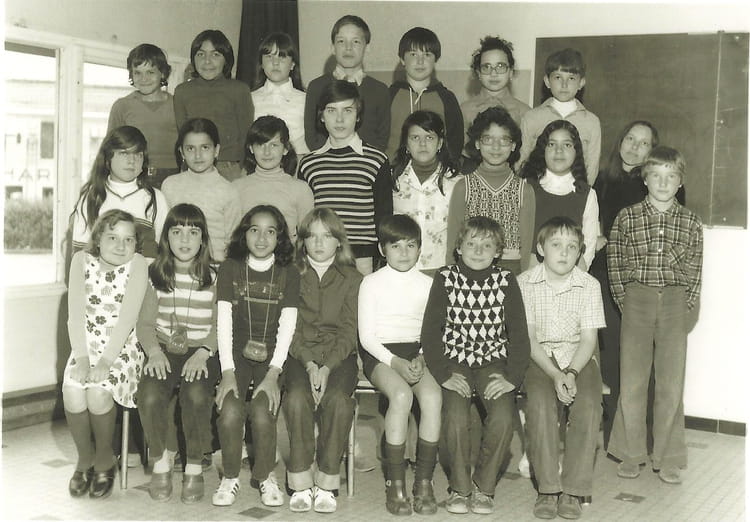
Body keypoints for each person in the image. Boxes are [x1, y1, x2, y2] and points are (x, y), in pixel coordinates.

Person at [421, 216, 530, 515]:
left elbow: (520, 336)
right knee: (456, 416)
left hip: (493, 361)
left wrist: (512, 377)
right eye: (471, 244)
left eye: (487, 245)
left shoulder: (506, 281)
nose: (478, 251)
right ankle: (460, 488)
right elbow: (430, 333)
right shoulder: (445, 278)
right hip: (454, 360)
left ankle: (484, 486)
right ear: (459, 247)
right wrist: (443, 374)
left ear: (498, 252)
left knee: (503, 416)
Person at [607, 146, 703, 485]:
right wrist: (627, 300)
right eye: (656, 176)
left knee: (670, 383)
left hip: (675, 302)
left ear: (680, 182)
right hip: (637, 299)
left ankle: (668, 456)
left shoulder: (690, 222)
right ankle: (630, 453)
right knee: (632, 381)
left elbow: (695, 272)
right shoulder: (627, 217)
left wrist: (684, 305)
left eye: (670, 176)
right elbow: (615, 264)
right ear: (645, 179)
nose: (663, 183)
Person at [591, 120, 682, 446]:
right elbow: (591, 219)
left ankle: (648, 435)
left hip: (644, 279)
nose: (633, 146)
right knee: (613, 354)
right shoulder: (602, 179)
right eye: (630, 138)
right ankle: (618, 435)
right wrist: (596, 236)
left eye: (643, 143)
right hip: (607, 275)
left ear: (653, 151)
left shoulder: (658, 183)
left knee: (646, 360)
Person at [517, 217, 606, 520]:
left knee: (590, 404)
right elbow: (529, 340)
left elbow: (589, 340)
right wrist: (555, 374)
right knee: (541, 405)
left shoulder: (589, 285)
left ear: (580, 251)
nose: (564, 252)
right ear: (541, 249)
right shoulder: (524, 283)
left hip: (579, 359)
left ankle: (573, 490)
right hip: (540, 358)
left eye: (572, 246)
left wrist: (571, 373)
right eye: (556, 245)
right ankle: (548, 489)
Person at [211, 205, 300, 507]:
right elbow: (223, 323)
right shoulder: (230, 268)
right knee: (230, 409)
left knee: (263, 410)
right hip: (235, 352)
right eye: (254, 230)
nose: (261, 238)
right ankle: (230, 476)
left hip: (273, 353)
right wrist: (227, 371)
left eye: (270, 231)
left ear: (280, 237)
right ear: (244, 233)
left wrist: (274, 373)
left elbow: (288, 326)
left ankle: (264, 475)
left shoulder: (289, 273)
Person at [358, 214, 442, 515]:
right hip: (380, 354)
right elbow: (367, 337)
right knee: (402, 395)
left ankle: (423, 482)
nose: (404, 252)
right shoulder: (370, 283)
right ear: (382, 249)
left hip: (417, 351)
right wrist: (394, 362)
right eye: (395, 246)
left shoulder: (429, 284)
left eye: (410, 245)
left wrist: (421, 356)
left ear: (420, 248)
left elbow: (433, 331)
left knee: (432, 396)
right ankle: (395, 485)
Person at [136, 204, 219, 503]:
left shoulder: (215, 277)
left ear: (203, 239)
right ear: (166, 238)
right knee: (149, 394)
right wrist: (154, 352)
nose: (185, 240)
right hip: (163, 349)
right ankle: (160, 462)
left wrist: (205, 352)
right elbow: (145, 324)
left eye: (193, 232)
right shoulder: (155, 275)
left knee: (195, 395)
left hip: (202, 351)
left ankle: (194, 466)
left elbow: (221, 324)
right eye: (177, 232)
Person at [63, 209, 148, 499]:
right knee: (73, 391)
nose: (121, 245)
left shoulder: (137, 265)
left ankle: (104, 459)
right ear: (98, 239)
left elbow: (127, 319)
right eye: (112, 237)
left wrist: (106, 362)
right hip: (85, 345)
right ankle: (84, 459)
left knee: (98, 393)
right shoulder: (80, 261)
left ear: (136, 244)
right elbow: (75, 315)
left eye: (129, 239)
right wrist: (82, 359)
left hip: (122, 348)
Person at [283, 208, 362, 513]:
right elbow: (288, 328)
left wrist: (327, 367)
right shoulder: (290, 274)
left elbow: (349, 331)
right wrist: (309, 363)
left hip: (338, 357)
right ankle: (301, 481)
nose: (318, 243)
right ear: (302, 241)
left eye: (326, 236)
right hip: (299, 354)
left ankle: (327, 482)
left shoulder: (353, 278)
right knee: (296, 398)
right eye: (312, 236)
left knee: (339, 401)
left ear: (339, 241)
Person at [298, 80, 392, 275]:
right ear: (321, 116)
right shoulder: (309, 164)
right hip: (321, 256)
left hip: (363, 259)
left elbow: (384, 216)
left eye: (347, 111)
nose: (339, 119)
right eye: (331, 111)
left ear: (358, 116)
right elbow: (306, 218)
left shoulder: (376, 160)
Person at [447, 107, 534, 274]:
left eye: (504, 140)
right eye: (488, 139)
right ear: (477, 143)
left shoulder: (524, 190)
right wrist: (452, 276)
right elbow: (453, 240)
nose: (496, 146)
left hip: (511, 271)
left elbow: (526, 245)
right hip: (470, 268)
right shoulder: (463, 186)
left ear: (513, 145)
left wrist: (523, 280)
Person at [71, 126, 169, 260]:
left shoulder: (155, 198)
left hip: (144, 272)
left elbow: (165, 251)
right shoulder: (91, 196)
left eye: (138, 154)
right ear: (108, 159)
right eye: (124, 153)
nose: (132, 161)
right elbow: (79, 254)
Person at [174, 29, 253, 182]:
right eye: (201, 54)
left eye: (215, 55)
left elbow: (246, 134)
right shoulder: (182, 91)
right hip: (193, 166)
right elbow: (183, 135)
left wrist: (243, 169)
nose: (207, 61)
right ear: (193, 59)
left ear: (226, 60)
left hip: (229, 168)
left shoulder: (239, 90)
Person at [520, 119, 598, 270]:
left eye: (567, 145)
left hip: (569, 274)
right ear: (543, 150)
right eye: (552, 144)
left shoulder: (587, 194)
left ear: (576, 151)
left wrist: (573, 275)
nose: (559, 150)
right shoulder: (525, 187)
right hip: (529, 272)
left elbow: (589, 244)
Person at [304, 14, 390, 152]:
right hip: (326, 161)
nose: (348, 47)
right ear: (332, 48)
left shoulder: (380, 90)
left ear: (367, 47)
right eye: (341, 41)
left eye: (355, 41)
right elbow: (311, 135)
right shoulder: (316, 87)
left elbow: (382, 137)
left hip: (367, 161)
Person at [161, 118, 242, 263]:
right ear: (182, 152)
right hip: (177, 265)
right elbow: (164, 233)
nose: (197, 155)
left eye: (205, 147)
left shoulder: (229, 190)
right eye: (190, 148)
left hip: (215, 266)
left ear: (216, 150)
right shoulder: (170, 185)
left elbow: (233, 240)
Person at [391, 110, 462, 274]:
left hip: (442, 269)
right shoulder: (393, 180)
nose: (422, 144)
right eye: (415, 138)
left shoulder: (457, 183)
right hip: (401, 268)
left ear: (440, 143)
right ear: (406, 144)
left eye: (429, 138)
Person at [519, 48, 600, 186]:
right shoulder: (531, 117)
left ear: (581, 83)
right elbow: (522, 159)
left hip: (575, 192)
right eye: (557, 77)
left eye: (571, 78)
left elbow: (592, 166)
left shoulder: (591, 122)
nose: (564, 84)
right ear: (547, 81)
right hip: (536, 190)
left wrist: (582, 193)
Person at [386, 27, 463, 162]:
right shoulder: (389, 96)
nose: (420, 61)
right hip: (393, 170)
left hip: (436, 171)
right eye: (413, 54)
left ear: (435, 60)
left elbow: (455, 141)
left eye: (427, 55)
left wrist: (447, 168)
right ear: (402, 59)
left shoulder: (447, 98)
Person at [107, 44, 179, 188]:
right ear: (131, 75)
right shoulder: (122, 106)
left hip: (173, 177)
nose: (144, 78)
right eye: (138, 73)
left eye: (150, 72)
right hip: (134, 174)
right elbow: (110, 149)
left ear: (163, 73)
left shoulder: (177, 104)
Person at [234, 116, 314, 242]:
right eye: (261, 145)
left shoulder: (301, 189)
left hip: (286, 254)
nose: (267, 152)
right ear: (251, 148)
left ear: (285, 149)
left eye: (274, 145)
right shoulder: (236, 188)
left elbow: (306, 238)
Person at [251, 32, 308, 155]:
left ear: (292, 64)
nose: (275, 62)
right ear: (261, 63)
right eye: (269, 57)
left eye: (282, 57)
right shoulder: (250, 99)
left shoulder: (306, 100)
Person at [460, 36, 530, 133]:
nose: (493, 74)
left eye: (500, 66)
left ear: (510, 72)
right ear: (479, 73)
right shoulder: (463, 111)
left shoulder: (525, 113)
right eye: (486, 67)